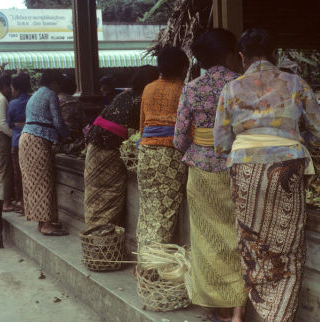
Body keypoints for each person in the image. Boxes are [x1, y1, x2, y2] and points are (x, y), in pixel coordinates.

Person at [214, 29, 320, 322]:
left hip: (244, 170)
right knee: (288, 249)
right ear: (275, 55)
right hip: (288, 168)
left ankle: (256, 311)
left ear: (242, 58)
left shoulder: (230, 89)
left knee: (251, 243)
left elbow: (220, 144)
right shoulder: (296, 84)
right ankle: (279, 317)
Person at [173, 29, 247, 322]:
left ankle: (221, 308)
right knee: (239, 235)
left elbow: (179, 140)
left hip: (201, 171)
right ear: (230, 55)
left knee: (207, 241)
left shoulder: (191, 88)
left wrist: (200, 142)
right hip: (238, 168)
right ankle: (240, 308)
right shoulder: (241, 85)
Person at [84, 65, 159, 229]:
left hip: (94, 142)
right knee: (110, 190)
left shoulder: (124, 94)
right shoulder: (143, 97)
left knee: (94, 190)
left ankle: (93, 229)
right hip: (111, 146)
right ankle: (102, 232)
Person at [137, 47, 189, 251]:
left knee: (147, 209)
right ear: (183, 68)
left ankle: (142, 259)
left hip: (146, 152)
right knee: (165, 211)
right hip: (170, 155)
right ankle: (153, 267)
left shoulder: (148, 88)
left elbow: (142, 126)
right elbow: (187, 130)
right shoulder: (183, 89)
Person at [20, 70, 71, 236]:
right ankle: (48, 224)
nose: (60, 88)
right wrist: (68, 135)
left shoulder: (35, 95)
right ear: (54, 83)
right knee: (45, 181)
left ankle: (42, 222)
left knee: (33, 182)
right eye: (60, 85)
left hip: (26, 138)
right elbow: (58, 121)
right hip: (38, 140)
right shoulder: (51, 94)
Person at [0, 74, 15, 212]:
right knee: (4, 167)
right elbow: (2, 123)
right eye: (10, 87)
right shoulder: (1, 99)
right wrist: (13, 135)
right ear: (5, 86)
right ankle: (6, 202)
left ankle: (2, 200)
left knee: (0, 166)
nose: (11, 90)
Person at [7, 73, 32, 213]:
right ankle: (30, 202)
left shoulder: (13, 103)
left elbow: (9, 123)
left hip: (16, 141)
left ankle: (21, 202)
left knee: (18, 173)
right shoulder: (33, 100)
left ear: (17, 89)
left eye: (12, 88)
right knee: (31, 173)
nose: (11, 91)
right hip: (32, 140)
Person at [53, 76, 88, 155]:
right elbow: (84, 123)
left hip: (59, 142)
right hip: (76, 141)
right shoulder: (77, 101)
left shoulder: (55, 99)